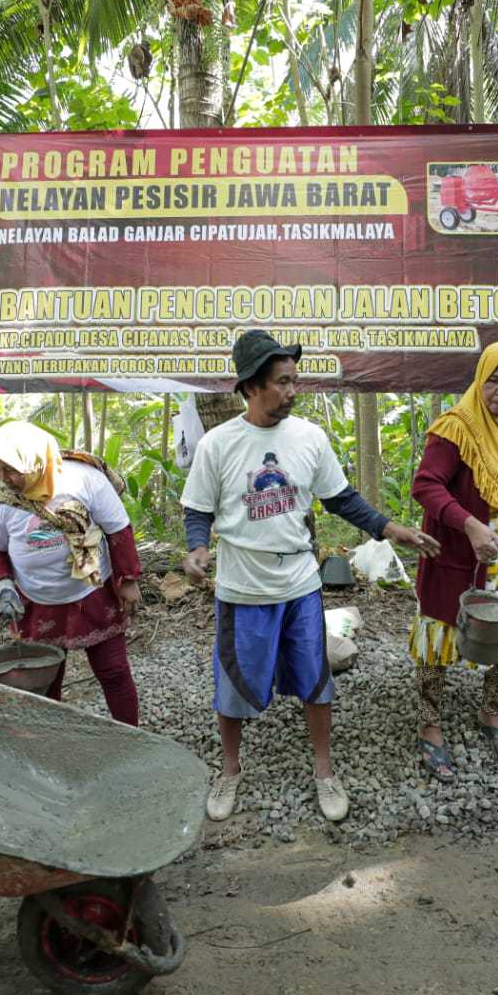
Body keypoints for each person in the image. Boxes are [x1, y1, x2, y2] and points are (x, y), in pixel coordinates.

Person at [182, 329, 436, 821]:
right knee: (232, 681)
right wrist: (196, 550)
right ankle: (229, 770)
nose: (292, 391)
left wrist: (391, 529)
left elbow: (341, 499)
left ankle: (324, 770)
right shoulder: (218, 445)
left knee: (315, 679)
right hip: (242, 588)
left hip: (300, 584)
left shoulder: (309, 437)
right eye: (282, 382)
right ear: (252, 386)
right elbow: (197, 511)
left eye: (295, 381)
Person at [409, 341, 498, 781]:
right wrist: (469, 524)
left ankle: (492, 710)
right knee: (441, 638)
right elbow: (426, 485)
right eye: (494, 380)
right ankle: (430, 723)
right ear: (479, 380)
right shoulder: (457, 428)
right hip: (462, 553)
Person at [0, 422, 143, 724]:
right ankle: (53, 743)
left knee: (114, 670)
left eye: (12, 469)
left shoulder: (84, 479)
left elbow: (118, 528)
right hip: (38, 600)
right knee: (43, 681)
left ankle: (132, 736)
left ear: (37, 461)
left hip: (92, 591)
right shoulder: (0, 503)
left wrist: (128, 579)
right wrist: (4, 586)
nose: (6, 479)